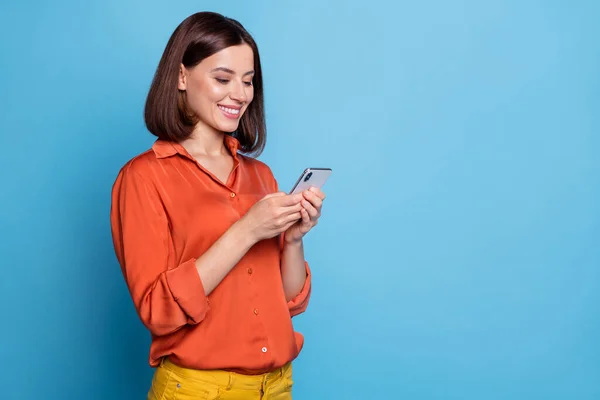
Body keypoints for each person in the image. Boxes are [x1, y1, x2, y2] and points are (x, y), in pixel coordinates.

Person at [109, 11, 325, 400]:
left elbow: (287, 302)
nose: (240, 94)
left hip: (276, 386)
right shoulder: (143, 178)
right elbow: (158, 311)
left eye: (248, 81)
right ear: (180, 76)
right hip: (200, 390)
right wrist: (246, 230)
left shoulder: (261, 175)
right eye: (223, 79)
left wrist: (292, 240)